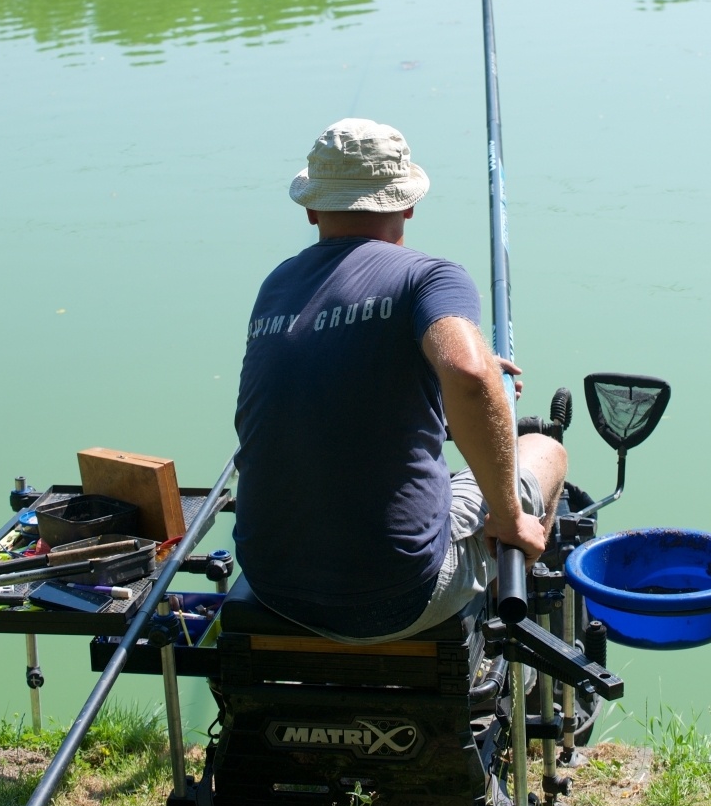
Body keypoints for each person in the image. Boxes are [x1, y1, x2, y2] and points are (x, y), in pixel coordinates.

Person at [233, 118, 567, 643]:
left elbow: (331, 397)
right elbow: (469, 373)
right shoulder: (430, 276)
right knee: (545, 451)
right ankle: (508, 605)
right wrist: (507, 514)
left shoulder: (276, 285)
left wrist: (454, 382)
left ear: (311, 208)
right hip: (398, 598)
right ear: (408, 203)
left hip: (272, 584)